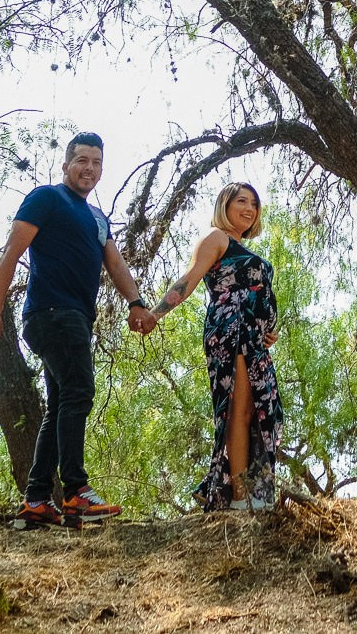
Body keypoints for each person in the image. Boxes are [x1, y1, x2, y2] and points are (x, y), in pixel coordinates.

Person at [0, 131, 149, 525]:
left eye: (96, 163)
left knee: (60, 405)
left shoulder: (96, 217)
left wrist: (136, 303)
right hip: (52, 313)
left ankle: (37, 499)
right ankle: (75, 492)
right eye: (82, 160)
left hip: (75, 319)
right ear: (66, 165)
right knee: (78, 391)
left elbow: (117, 265)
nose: (89, 169)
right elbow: (10, 255)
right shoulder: (47, 198)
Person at [131, 181, 283, 510]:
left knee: (259, 412)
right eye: (241, 201)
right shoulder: (216, 238)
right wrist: (156, 314)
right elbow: (189, 280)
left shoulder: (242, 246)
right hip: (231, 330)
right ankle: (239, 498)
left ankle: (242, 492)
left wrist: (269, 330)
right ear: (224, 206)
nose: (249, 208)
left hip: (254, 339)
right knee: (238, 412)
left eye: (254, 204)